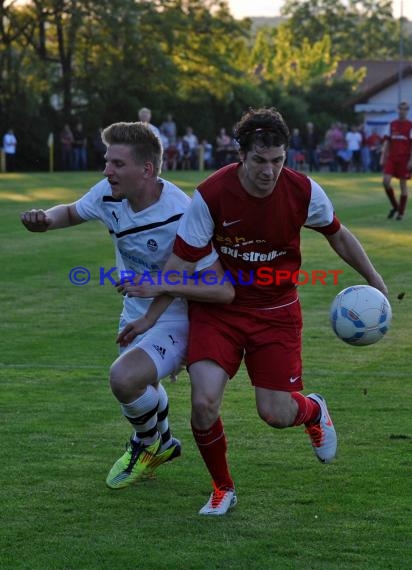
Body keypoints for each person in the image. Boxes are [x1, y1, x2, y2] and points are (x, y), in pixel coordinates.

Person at [121, 107, 388, 516]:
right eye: (260, 161)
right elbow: (179, 268)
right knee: (204, 402)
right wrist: (148, 319)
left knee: (276, 414)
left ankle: (312, 409)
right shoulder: (211, 195)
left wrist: (374, 278)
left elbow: (338, 234)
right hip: (219, 314)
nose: (270, 171)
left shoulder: (303, 191)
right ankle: (222, 488)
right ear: (241, 155)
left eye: (278, 161)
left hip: (277, 312)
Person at [20, 121, 233, 491]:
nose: (107, 171)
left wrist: (156, 291)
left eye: (117, 164)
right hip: (135, 314)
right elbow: (71, 211)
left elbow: (219, 286)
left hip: (177, 319)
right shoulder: (109, 194)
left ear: (146, 170)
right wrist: (45, 221)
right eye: (107, 162)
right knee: (133, 384)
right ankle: (162, 442)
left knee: (123, 378)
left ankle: (146, 444)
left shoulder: (182, 213)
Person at [380, 101, 412, 220]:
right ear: (397, 110)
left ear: (407, 111)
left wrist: (411, 160)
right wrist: (383, 157)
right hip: (392, 158)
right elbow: (387, 142)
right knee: (385, 182)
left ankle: (401, 213)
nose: (402, 111)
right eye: (400, 109)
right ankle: (395, 206)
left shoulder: (410, 125)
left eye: (404, 109)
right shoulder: (392, 124)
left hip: (404, 159)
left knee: (403, 185)